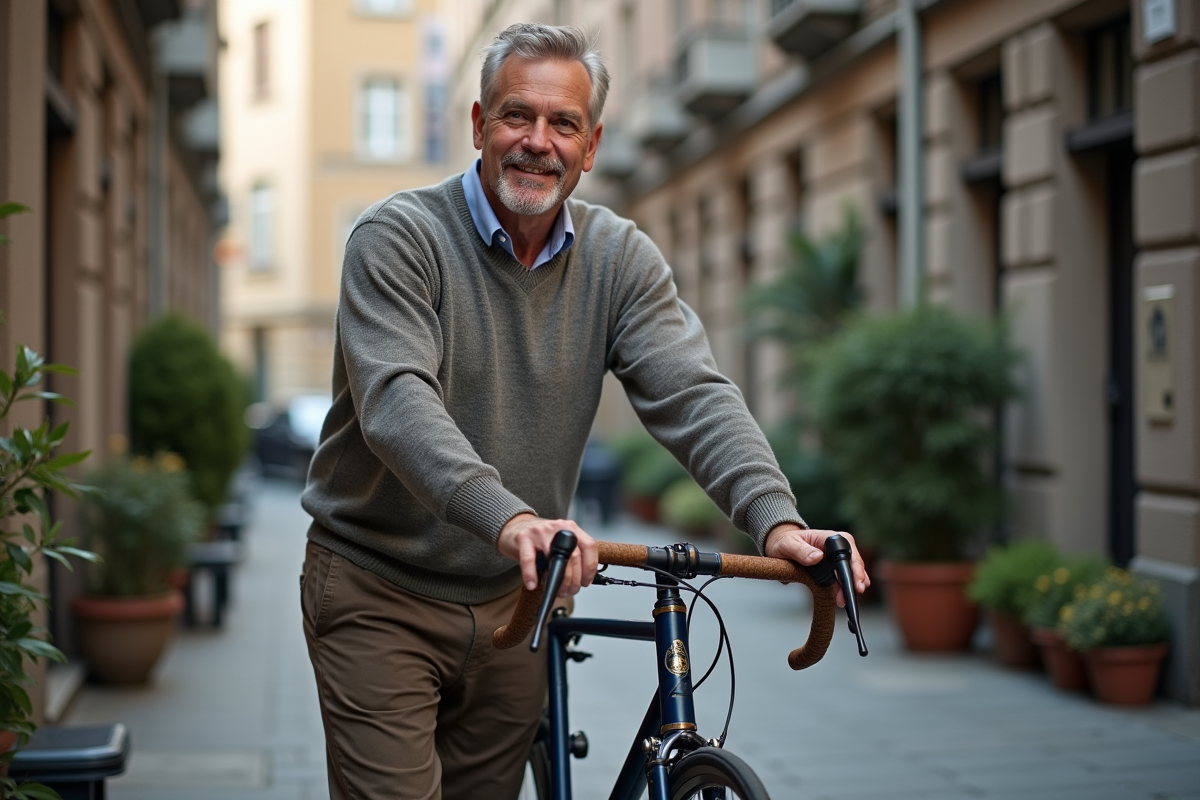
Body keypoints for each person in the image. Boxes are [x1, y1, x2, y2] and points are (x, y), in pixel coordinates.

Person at [300, 22, 869, 800]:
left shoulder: (619, 257)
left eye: (562, 123)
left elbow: (691, 393)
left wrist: (778, 521)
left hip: (517, 599)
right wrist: (509, 518)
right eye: (516, 116)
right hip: (381, 589)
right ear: (477, 125)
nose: (539, 141)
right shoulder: (400, 237)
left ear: (591, 145)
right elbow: (398, 403)